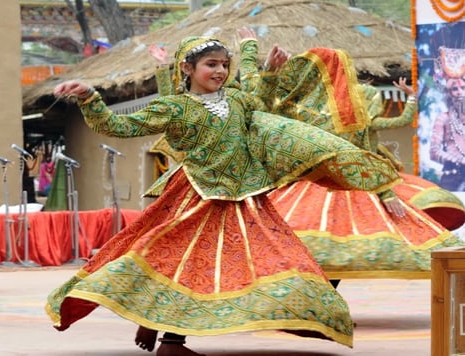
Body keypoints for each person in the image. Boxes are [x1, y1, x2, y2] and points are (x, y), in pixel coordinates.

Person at [46, 35, 404, 355]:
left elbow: (260, 99)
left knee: (278, 257)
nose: (219, 71)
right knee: (181, 262)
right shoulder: (174, 107)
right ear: (187, 68)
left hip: (245, 196)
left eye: (223, 65)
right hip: (197, 195)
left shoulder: (237, 100)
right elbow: (118, 126)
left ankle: (303, 314)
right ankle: (170, 341)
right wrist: (89, 97)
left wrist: (262, 65)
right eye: (210, 65)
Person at [235, 28, 465, 284]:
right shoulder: (299, 108)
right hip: (308, 188)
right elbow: (256, 104)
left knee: (321, 255)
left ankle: (323, 305)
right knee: (302, 251)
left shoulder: (337, 115)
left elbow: (362, 153)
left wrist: (386, 191)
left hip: (330, 189)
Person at [431, 73, 465, 191]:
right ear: (449, 94)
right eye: (454, 89)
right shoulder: (443, 118)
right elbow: (434, 151)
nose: (459, 92)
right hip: (453, 176)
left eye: (463, 88)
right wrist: (459, 160)